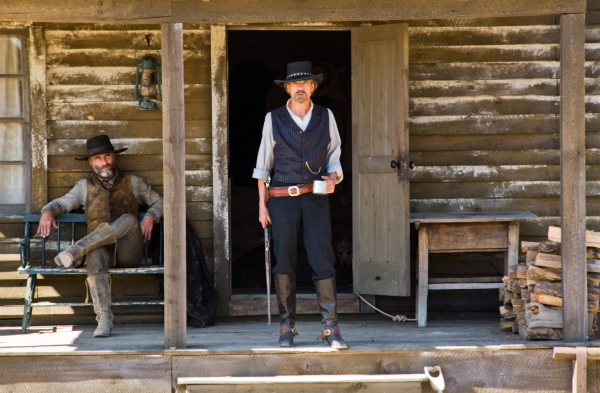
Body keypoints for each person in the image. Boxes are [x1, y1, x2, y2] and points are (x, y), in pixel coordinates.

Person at [253, 61, 346, 349]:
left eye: (305, 84)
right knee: (284, 260)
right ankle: (287, 326)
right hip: (281, 199)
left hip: (316, 197)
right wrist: (262, 206)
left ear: (313, 87)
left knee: (323, 258)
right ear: (288, 89)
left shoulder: (325, 116)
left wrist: (333, 176)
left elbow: (334, 154)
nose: (300, 89)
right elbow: (262, 167)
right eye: (295, 85)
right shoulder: (274, 118)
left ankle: (331, 328)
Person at [37, 135, 163, 338]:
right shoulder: (83, 187)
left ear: (114, 156)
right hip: (101, 251)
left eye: (107, 156)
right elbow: (61, 203)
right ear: (90, 162)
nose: (104, 162)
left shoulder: (133, 182)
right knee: (94, 255)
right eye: (98, 158)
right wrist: (47, 211)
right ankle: (104, 319)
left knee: (130, 220)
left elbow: (160, 202)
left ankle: (76, 250)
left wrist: (150, 216)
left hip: (128, 252)